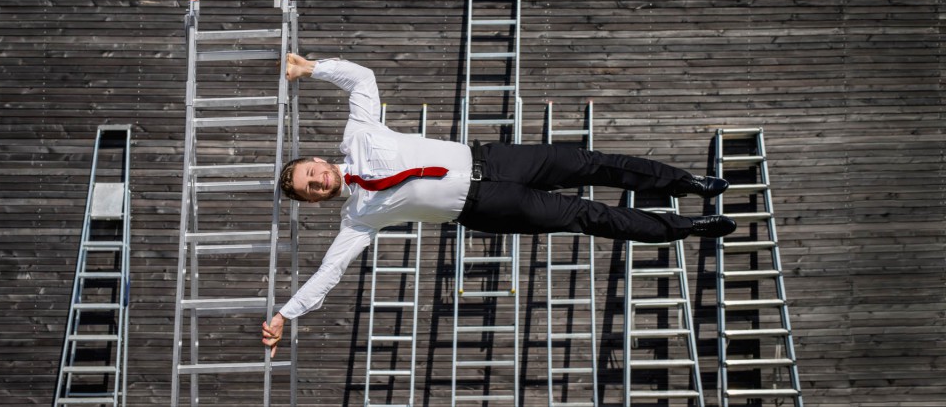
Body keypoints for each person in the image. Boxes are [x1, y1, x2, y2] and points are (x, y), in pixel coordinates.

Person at [261, 54, 735, 355]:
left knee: (592, 164)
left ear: (319, 159)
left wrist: (311, 69)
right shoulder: (358, 218)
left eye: (311, 172)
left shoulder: (357, 136)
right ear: (315, 199)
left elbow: (361, 78)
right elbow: (330, 271)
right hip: (487, 205)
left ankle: (686, 181)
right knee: (587, 216)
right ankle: (687, 227)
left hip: (495, 159)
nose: (319, 181)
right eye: (310, 188)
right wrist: (286, 314)